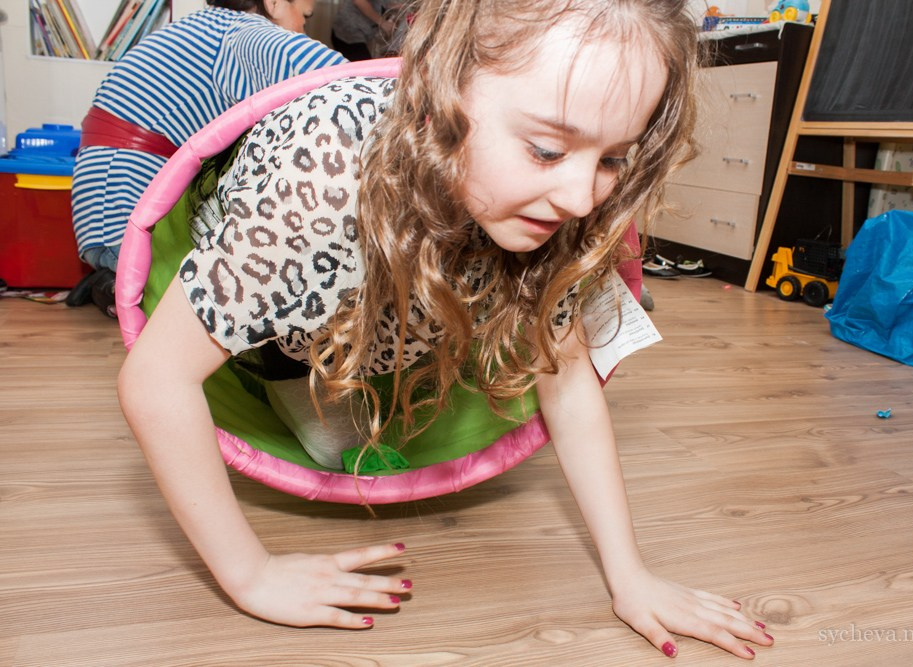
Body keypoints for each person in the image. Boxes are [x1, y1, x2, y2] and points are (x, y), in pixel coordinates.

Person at [118, 0, 775, 660]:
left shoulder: (563, 202)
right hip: (291, 334)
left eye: (612, 159)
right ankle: (298, 378)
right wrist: (250, 575)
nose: (582, 197)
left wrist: (629, 575)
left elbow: (568, 375)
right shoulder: (321, 179)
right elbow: (154, 379)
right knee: (329, 447)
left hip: (409, 311)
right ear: (442, 86)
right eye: (547, 149)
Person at [69, 0, 345, 316]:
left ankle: (117, 281)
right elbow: (340, 76)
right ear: (274, 3)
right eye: (305, 19)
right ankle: (126, 285)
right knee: (242, 290)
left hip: (104, 219)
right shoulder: (242, 33)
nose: (301, 30)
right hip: (122, 222)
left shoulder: (205, 29)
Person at [330, 0, 397, 60]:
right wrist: (382, 22)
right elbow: (359, 1)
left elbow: (381, 3)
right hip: (349, 31)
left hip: (356, 33)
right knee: (365, 69)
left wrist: (398, 6)